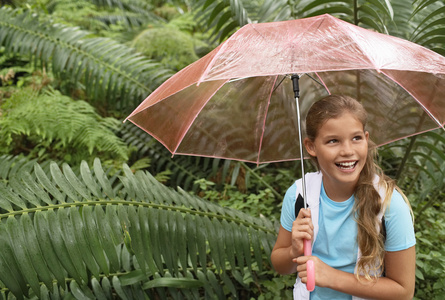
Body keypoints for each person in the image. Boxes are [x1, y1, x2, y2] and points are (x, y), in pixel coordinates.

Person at [271, 95, 416, 299]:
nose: (347, 151)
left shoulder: (390, 204)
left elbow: (404, 291)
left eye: (356, 138)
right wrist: (294, 251)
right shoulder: (299, 195)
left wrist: (331, 277)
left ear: (366, 138)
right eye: (333, 141)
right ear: (311, 146)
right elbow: (280, 265)